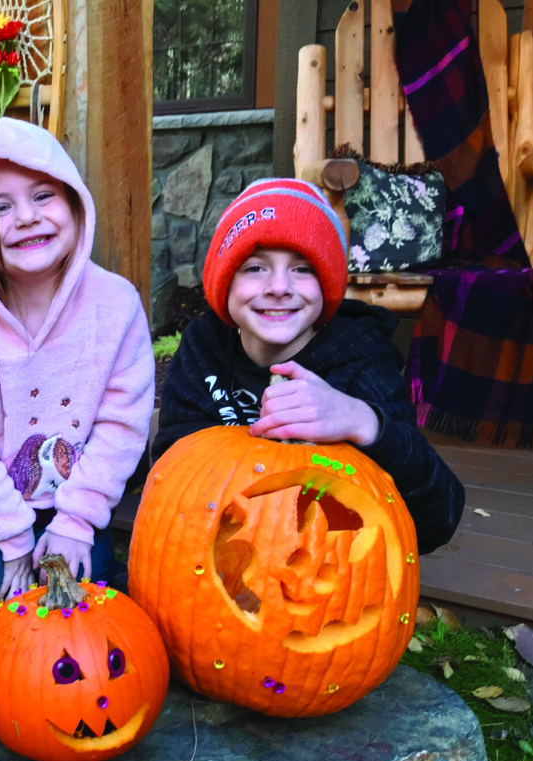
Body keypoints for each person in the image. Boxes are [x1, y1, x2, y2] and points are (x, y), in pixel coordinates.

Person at [153, 177, 464, 553]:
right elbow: (172, 474)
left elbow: (438, 517)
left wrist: (363, 422)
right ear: (225, 282)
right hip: (217, 554)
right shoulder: (204, 348)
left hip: (331, 562)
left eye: (302, 269)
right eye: (255, 268)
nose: (279, 286)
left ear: (327, 284)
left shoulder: (362, 360)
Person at [0, 117, 155, 607]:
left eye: (43, 196)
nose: (27, 217)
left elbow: (122, 424)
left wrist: (76, 522)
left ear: (74, 203)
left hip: (81, 503)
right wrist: (12, 539)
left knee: (84, 597)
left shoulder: (116, 305)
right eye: (0, 207)